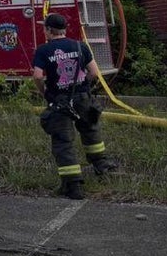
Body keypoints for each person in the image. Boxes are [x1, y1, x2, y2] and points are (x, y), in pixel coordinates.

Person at [32, 13, 118, 200]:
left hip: (59, 102)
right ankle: (101, 165)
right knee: (90, 131)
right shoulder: (80, 46)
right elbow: (94, 72)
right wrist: (83, 87)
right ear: (64, 29)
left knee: (63, 141)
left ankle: (73, 186)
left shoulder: (43, 50)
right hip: (82, 97)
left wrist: (45, 92)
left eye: (44, 28)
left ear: (49, 30)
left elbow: (38, 76)